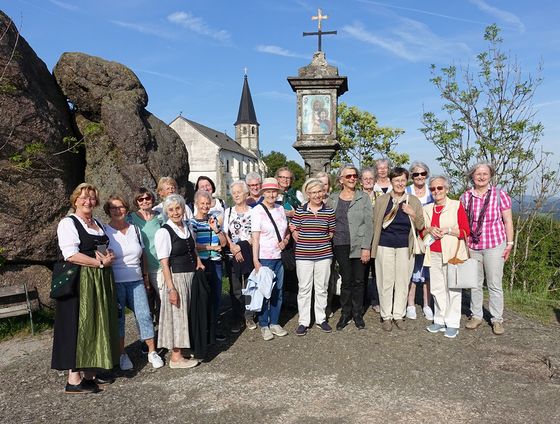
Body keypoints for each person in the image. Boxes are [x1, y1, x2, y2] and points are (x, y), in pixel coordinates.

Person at [51, 183, 119, 394]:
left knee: (96, 324)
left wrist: (109, 256)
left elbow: (102, 247)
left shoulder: (97, 222)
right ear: (75, 200)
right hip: (80, 280)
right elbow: (70, 254)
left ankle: (90, 373)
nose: (88, 201)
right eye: (83, 197)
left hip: (100, 279)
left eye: (91, 198)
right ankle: (73, 379)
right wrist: (99, 263)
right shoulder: (68, 223)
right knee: (79, 325)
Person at [104, 195, 164, 369]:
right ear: (108, 210)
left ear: (126, 209)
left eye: (121, 207)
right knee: (119, 319)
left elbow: (143, 254)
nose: (118, 210)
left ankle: (152, 351)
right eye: (114, 208)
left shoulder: (135, 229)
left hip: (136, 279)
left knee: (144, 315)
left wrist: (145, 277)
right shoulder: (105, 231)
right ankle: (122, 354)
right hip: (116, 281)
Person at [460, 162, 514, 335]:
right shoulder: (466, 197)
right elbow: (463, 223)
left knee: (494, 284)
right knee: (475, 283)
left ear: (490, 176)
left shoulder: (500, 195)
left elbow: (508, 221)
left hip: (494, 245)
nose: (481, 177)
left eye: (485, 173)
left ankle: (497, 319)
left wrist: (510, 243)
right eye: (478, 174)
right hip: (473, 246)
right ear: (472, 176)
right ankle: (476, 315)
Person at [371, 167, 424, 332]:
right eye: (396, 180)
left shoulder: (413, 201)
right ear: (391, 182)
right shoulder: (382, 200)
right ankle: (386, 316)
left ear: (406, 181)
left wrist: (413, 214)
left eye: (402, 180)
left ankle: (398, 315)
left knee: (402, 282)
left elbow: (421, 225)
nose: (400, 183)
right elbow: (375, 224)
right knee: (385, 282)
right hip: (384, 245)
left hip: (405, 247)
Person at [154, 194, 204, 368]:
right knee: (178, 316)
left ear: (183, 209)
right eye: (171, 209)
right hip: (176, 277)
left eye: (178, 208)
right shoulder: (164, 232)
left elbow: (192, 249)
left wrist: (198, 261)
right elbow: (164, 263)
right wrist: (171, 289)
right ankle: (176, 357)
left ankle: (183, 349)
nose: (175, 212)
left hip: (190, 276)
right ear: (166, 212)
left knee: (188, 314)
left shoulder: (186, 226)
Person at [423, 176, 470, 338]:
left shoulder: (456, 205)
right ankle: (439, 319)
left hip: (452, 254)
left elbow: (465, 231)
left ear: (447, 189)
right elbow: (422, 231)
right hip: (434, 252)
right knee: (436, 288)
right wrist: (429, 230)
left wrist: (448, 230)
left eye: (440, 188)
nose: (436, 191)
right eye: (433, 189)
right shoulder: (427, 209)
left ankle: (452, 322)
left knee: (453, 288)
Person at [330, 165, 373, 331]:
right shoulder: (333, 198)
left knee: (359, 280)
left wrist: (366, 247)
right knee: (346, 280)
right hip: (340, 244)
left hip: (359, 244)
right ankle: (345, 313)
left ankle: (357, 313)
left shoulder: (363, 197)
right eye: (348, 176)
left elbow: (369, 224)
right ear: (341, 179)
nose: (352, 178)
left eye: (355, 176)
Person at [292, 178, 336, 335]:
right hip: (303, 255)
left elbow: (331, 232)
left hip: (324, 255)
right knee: (304, 288)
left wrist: (319, 242)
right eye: (313, 192)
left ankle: (321, 319)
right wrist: (306, 243)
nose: (317, 195)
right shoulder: (300, 211)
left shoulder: (329, 211)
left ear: (323, 192)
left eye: (319, 191)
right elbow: (295, 231)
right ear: (307, 194)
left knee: (322, 288)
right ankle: (303, 321)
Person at [251, 177, 290, 341]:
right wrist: (255, 260)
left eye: (274, 191)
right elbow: (255, 238)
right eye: (268, 191)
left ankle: (274, 321)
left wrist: (286, 241)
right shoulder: (257, 211)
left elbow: (286, 231)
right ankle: (263, 324)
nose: (271, 194)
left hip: (278, 257)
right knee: (264, 292)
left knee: (278, 292)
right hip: (264, 258)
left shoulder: (281, 209)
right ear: (263, 193)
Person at [191, 190, 228, 341]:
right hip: (203, 263)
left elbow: (224, 243)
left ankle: (214, 328)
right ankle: (204, 329)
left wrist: (216, 230)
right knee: (204, 297)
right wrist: (212, 247)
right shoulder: (192, 222)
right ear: (196, 204)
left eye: (207, 203)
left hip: (216, 262)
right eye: (202, 204)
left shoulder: (213, 220)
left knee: (216, 296)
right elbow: (193, 245)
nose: (205, 206)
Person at [127, 188, 162, 329]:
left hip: (160, 266)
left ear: (152, 199)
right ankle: (147, 339)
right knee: (144, 307)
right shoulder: (130, 218)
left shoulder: (160, 217)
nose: (144, 201)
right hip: (140, 267)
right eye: (140, 199)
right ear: (136, 202)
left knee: (163, 303)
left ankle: (162, 335)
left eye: (147, 198)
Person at [223, 181, 255, 332]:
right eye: (233, 192)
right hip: (232, 254)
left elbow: (256, 233)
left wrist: (242, 247)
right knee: (235, 288)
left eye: (239, 192)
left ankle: (249, 316)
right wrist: (234, 248)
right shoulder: (228, 212)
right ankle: (237, 317)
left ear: (246, 193)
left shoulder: (253, 211)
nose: (236, 195)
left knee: (249, 286)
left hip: (249, 253)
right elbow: (224, 234)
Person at [405, 161, 435, 321]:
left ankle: (426, 304)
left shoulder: (432, 191)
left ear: (427, 175)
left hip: (428, 236)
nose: (419, 177)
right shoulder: (407, 191)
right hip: (410, 235)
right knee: (411, 270)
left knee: (427, 271)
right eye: (416, 174)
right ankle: (410, 304)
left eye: (423, 173)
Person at [360, 167, 381, 314]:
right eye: (365, 178)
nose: (368, 180)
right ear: (361, 181)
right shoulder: (356, 196)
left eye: (371, 178)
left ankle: (376, 300)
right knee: (361, 272)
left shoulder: (381, 196)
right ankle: (360, 302)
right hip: (361, 239)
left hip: (378, 239)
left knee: (377, 272)